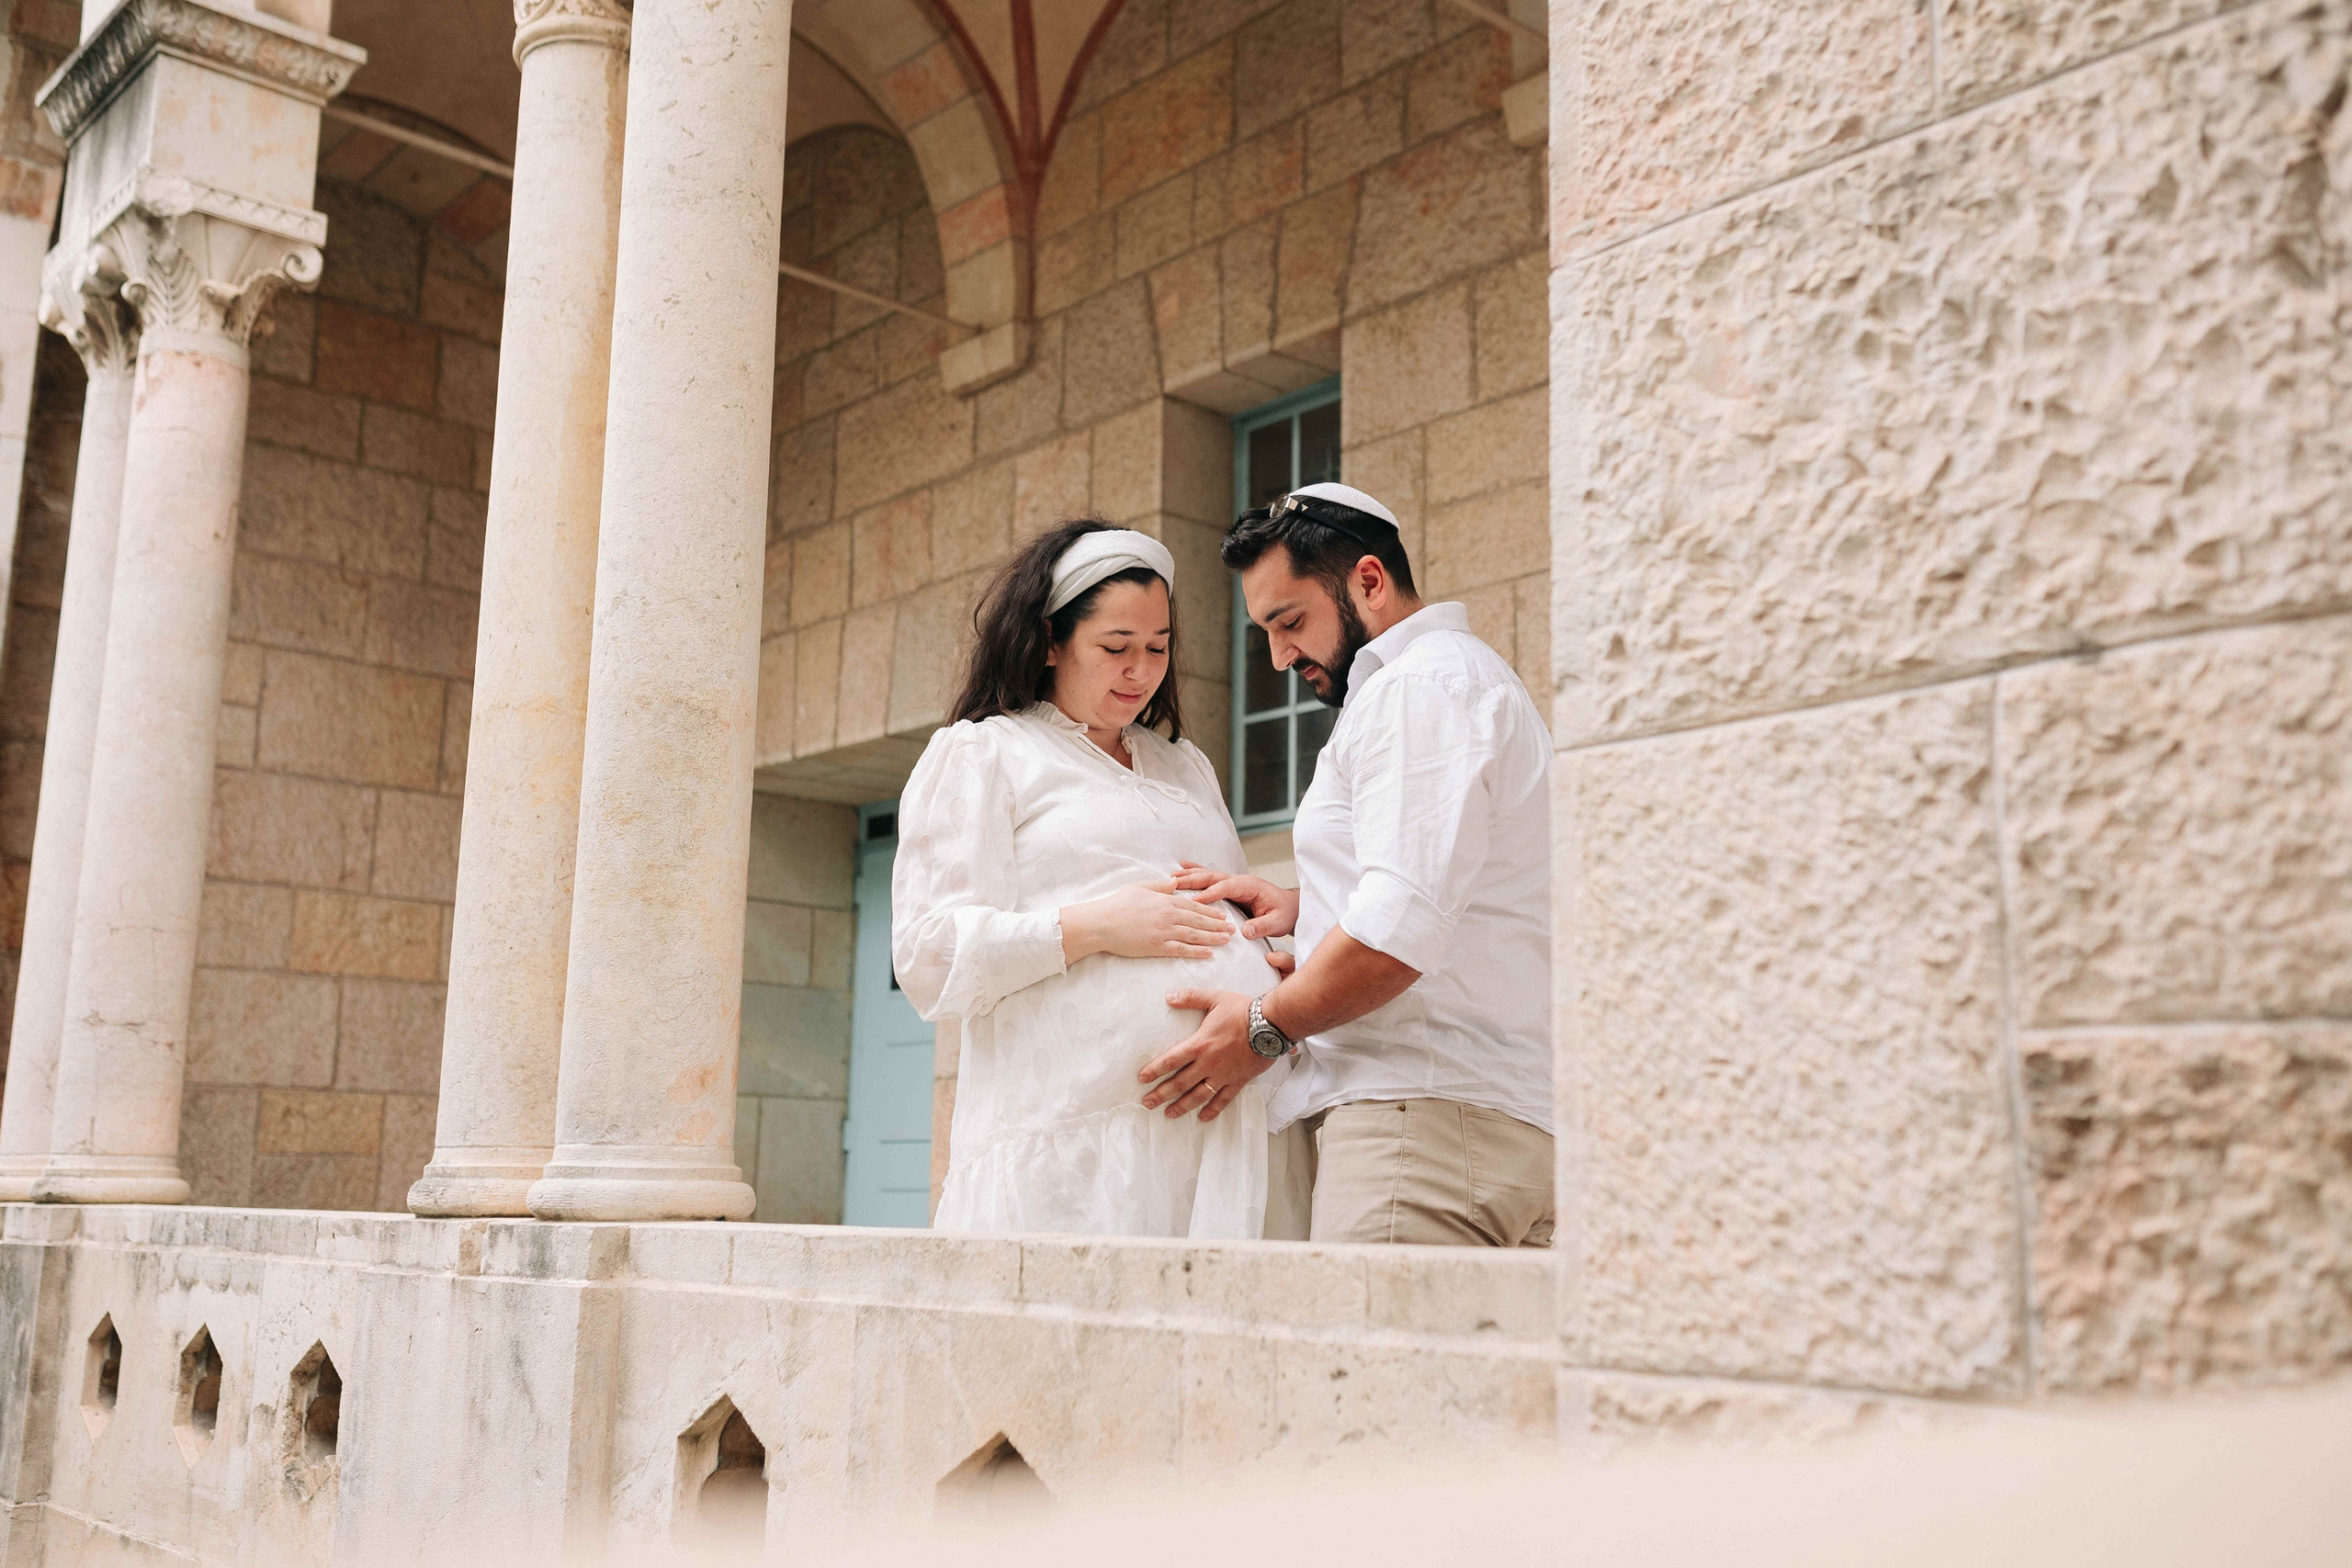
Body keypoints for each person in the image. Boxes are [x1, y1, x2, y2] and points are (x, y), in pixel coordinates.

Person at [1143, 482, 1556, 1247]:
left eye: (1290, 621)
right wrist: (1314, 902)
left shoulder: (1417, 690)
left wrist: (1261, 1029)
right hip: (1494, 1126)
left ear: (1368, 580)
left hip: (1419, 1136)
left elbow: (1393, 934)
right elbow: (1457, 892)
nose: (1277, 656)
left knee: (1371, 1373)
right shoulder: (1469, 680)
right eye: (1263, 631)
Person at [892, 521, 1302, 1239]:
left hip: (1229, 1119)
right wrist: (1093, 927)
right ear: (1051, 641)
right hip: (1078, 1148)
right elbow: (930, 955)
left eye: (1157, 648)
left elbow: (1228, 902)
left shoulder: (1186, 766)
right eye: (1115, 648)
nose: (1139, 671)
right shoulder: (985, 754)